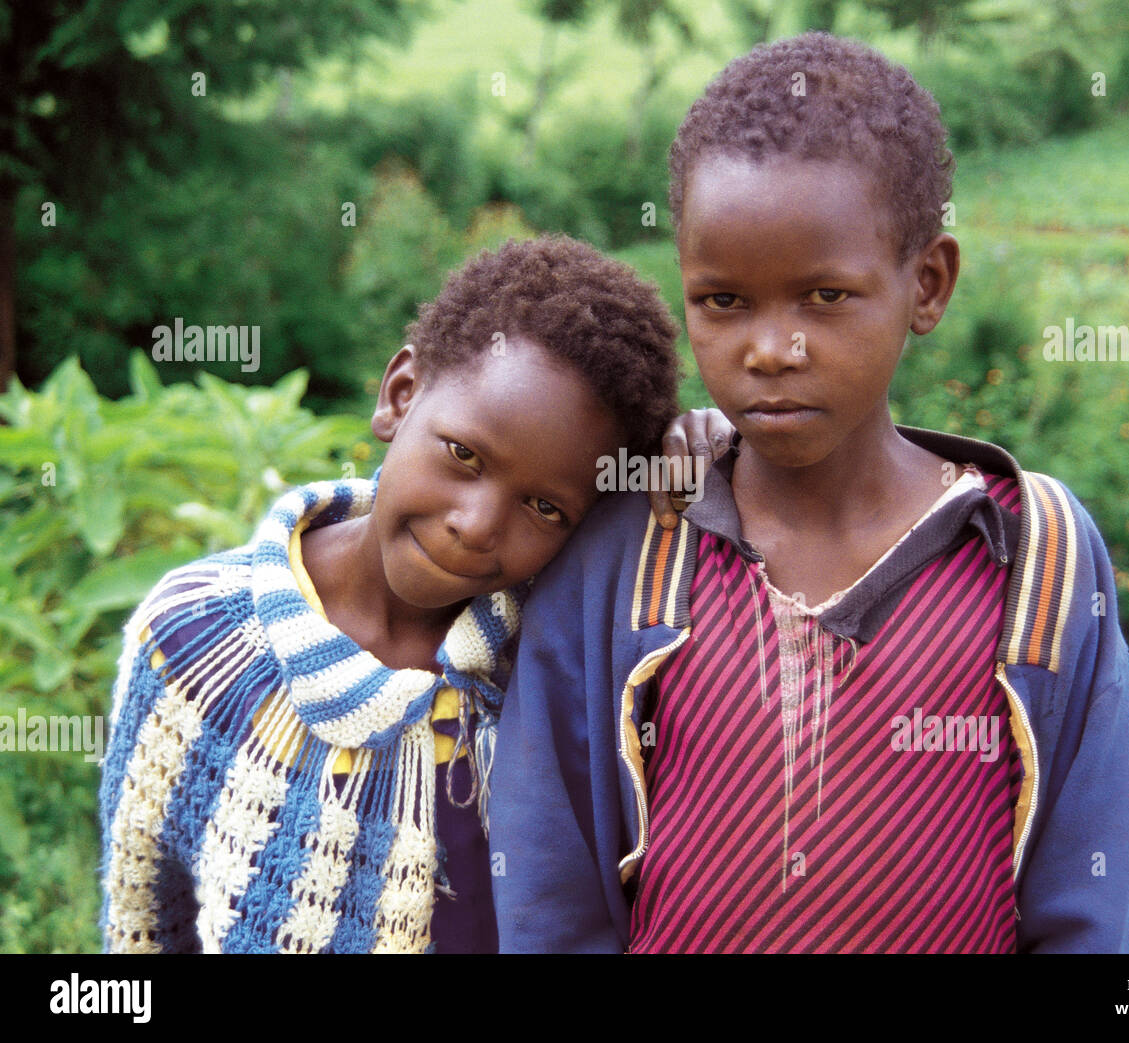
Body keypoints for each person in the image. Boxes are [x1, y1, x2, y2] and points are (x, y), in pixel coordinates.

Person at [488, 33, 1129, 953]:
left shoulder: (1037, 560)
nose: (771, 348)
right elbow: (548, 893)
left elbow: (1089, 904)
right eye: (722, 302)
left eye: (825, 297)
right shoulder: (627, 547)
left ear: (928, 283)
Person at [99, 234, 727, 953]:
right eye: (463, 454)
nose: (475, 525)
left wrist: (711, 448)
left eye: (544, 508)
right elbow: (144, 926)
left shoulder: (557, 672)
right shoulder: (192, 640)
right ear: (400, 395)